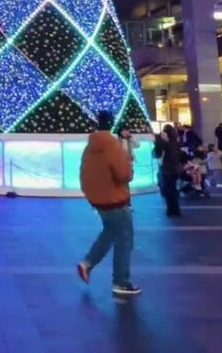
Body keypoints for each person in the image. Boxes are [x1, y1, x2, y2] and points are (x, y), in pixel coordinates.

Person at [76, 112, 140, 297]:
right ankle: (121, 281)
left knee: (110, 232)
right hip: (116, 200)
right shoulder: (112, 145)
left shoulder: (90, 147)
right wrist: (129, 168)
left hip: (98, 200)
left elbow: (84, 173)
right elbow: (124, 175)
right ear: (112, 123)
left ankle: (87, 263)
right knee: (125, 240)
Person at [153, 125, 183, 217]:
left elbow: (157, 153)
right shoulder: (174, 143)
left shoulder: (166, 144)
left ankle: (171, 210)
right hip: (174, 169)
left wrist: (158, 139)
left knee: (169, 190)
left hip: (167, 169)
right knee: (172, 189)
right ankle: (175, 210)